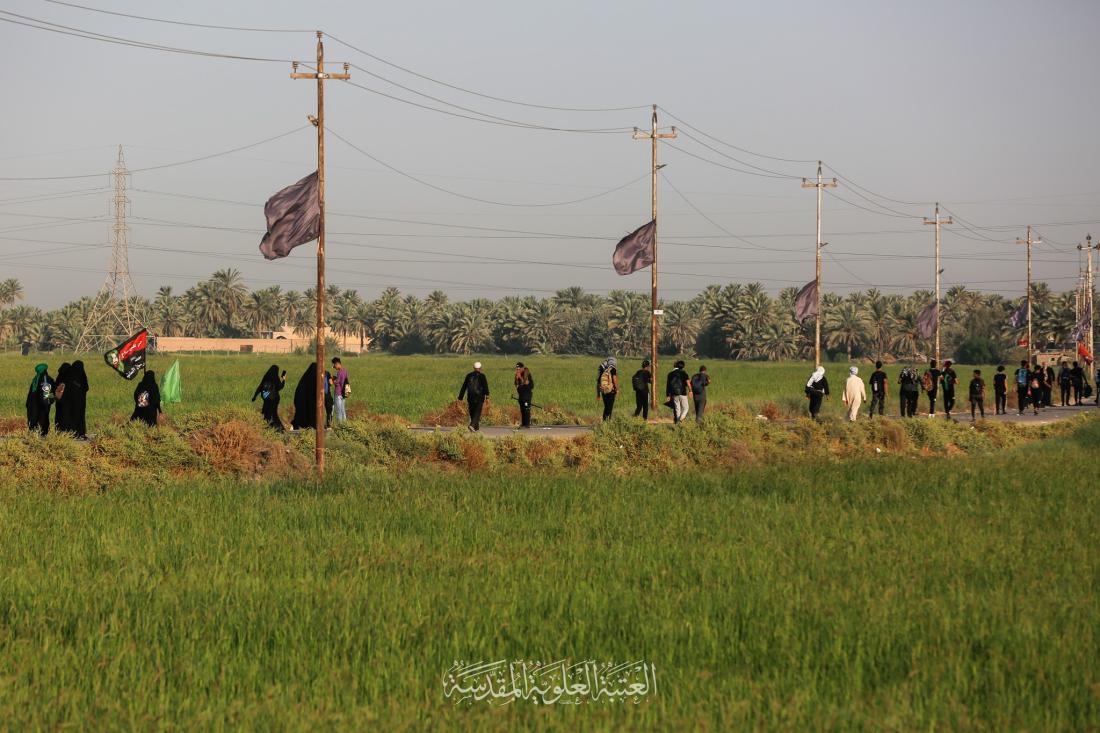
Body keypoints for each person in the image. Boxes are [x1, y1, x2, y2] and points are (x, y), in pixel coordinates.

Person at [57, 360, 89, 439]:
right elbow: (86, 387)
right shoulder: (81, 376)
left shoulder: (66, 377)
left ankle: (66, 433)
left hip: (66, 402)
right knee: (79, 416)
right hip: (80, 402)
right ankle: (79, 433)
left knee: (66, 415)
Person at [252, 365, 287, 432]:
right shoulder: (275, 378)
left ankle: (267, 427)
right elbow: (280, 387)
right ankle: (280, 430)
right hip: (275, 399)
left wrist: (254, 397)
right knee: (273, 413)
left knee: (265, 412)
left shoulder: (266, 377)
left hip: (266, 399)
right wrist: (284, 379)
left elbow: (260, 387)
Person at [458, 361, 490, 432]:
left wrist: (460, 397)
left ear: (474, 368)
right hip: (479, 397)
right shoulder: (482, 376)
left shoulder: (468, 375)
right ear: (480, 368)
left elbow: (464, 387)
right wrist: (487, 396)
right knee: (477, 412)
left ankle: (476, 427)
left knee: (472, 411)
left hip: (470, 396)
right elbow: (485, 387)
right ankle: (472, 425)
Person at [25, 363, 54, 436]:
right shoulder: (45, 378)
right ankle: (42, 435)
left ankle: (33, 434)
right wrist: (50, 400)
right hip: (42, 404)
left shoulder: (35, 379)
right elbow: (46, 392)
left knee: (33, 418)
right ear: (45, 370)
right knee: (42, 419)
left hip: (32, 404)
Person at [291, 363, 318, 430]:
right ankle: (311, 425)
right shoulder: (313, 379)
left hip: (302, 402)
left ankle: (299, 425)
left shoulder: (304, 380)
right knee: (311, 413)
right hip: (309, 402)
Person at [667, 360, 692, 424]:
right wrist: (690, 391)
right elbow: (688, 383)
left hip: (674, 394)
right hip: (682, 393)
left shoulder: (670, 374)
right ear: (683, 366)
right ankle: (680, 419)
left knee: (677, 409)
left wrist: (668, 395)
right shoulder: (684, 373)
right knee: (686, 408)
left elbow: (668, 385)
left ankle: (678, 423)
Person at [596, 357, 619, 421]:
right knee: (610, 407)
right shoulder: (612, 369)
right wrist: (617, 390)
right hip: (611, 391)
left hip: (603, 391)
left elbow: (598, 383)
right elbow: (614, 380)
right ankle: (607, 422)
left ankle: (604, 421)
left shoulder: (602, 370)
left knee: (606, 407)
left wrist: (598, 394)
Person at [514, 362, 534, 428]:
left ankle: (527, 424)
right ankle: (523, 423)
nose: (517, 370)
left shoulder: (527, 374)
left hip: (527, 395)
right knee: (522, 409)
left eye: (519, 368)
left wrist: (521, 378)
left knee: (526, 409)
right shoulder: (517, 375)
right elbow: (516, 384)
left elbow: (531, 385)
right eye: (517, 368)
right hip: (521, 395)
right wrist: (517, 379)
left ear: (522, 368)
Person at [53, 362, 71, 433]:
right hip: (67, 401)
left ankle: (58, 430)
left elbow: (55, 387)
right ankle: (66, 431)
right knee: (66, 415)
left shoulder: (59, 376)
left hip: (59, 400)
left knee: (59, 415)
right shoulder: (69, 377)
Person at [331, 357, 350, 423]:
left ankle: (340, 426)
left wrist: (332, 381)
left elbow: (338, 383)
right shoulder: (345, 370)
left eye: (334, 365)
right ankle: (344, 426)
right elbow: (344, 380)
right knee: (343, 410)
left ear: (337, 364)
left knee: (338, 411)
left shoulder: (339, 372)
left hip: (338, 393)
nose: (334, 367)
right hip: (344, 393)